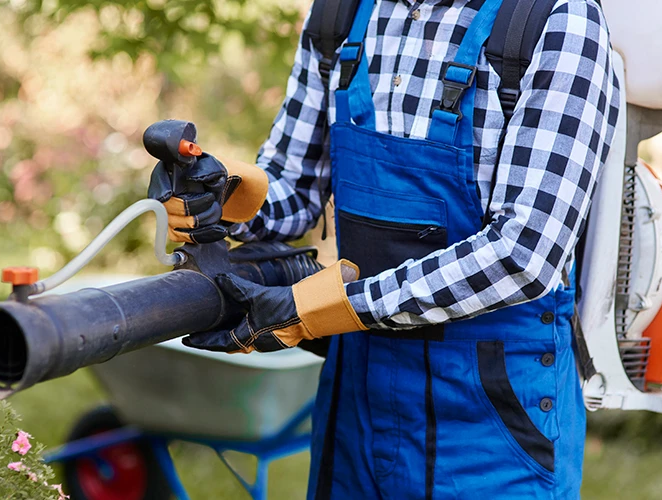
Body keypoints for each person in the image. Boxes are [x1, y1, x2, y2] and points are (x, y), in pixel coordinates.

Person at [148, 0, 619, 497]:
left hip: (492, 413)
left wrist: (326, 307)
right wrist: (223, 196)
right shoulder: (340, 13)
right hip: (358, 396)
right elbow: (295, 185)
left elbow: (524, 254)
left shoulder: (554, 20)